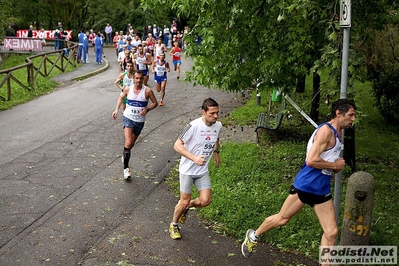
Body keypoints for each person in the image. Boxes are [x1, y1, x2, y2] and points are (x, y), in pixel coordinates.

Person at [241, 99, 357, 262]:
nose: (353, 119)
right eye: (351, 115)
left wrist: (335, 167)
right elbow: (311, 160)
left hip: (321, 188)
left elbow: (326, 162)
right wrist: (334, 164)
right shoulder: (326, 131)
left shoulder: (339, 134)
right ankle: (253, 235)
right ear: (339, 113)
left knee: (331, 232)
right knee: (282, 219)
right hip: (306, 185)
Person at [169, 98, 222, 239]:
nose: (215, 116)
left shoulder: (218, 126)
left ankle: (186, 206)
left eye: (217, 113)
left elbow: (216, 138)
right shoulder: (193, 126)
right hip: (187, 171)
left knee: (205, 201)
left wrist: (216, 153)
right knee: (184, 200)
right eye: (212, 113)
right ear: (203, 112)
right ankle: (174, 225)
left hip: (202, 171)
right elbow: (177, 145)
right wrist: (194, 158)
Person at [111, 70, 158, 180]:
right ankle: (126, 169)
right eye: (136, 78)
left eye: (140, 78)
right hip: (128, 118)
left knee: (131, 144)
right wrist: (116, 110)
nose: (138, 80)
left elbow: (155, 103)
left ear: (143, 79)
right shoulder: (128, 89)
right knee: (128, 142)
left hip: (139, 121)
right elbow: (121, 97)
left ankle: (125, 154)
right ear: (133, 79)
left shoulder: (147, 91)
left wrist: (147, 109)